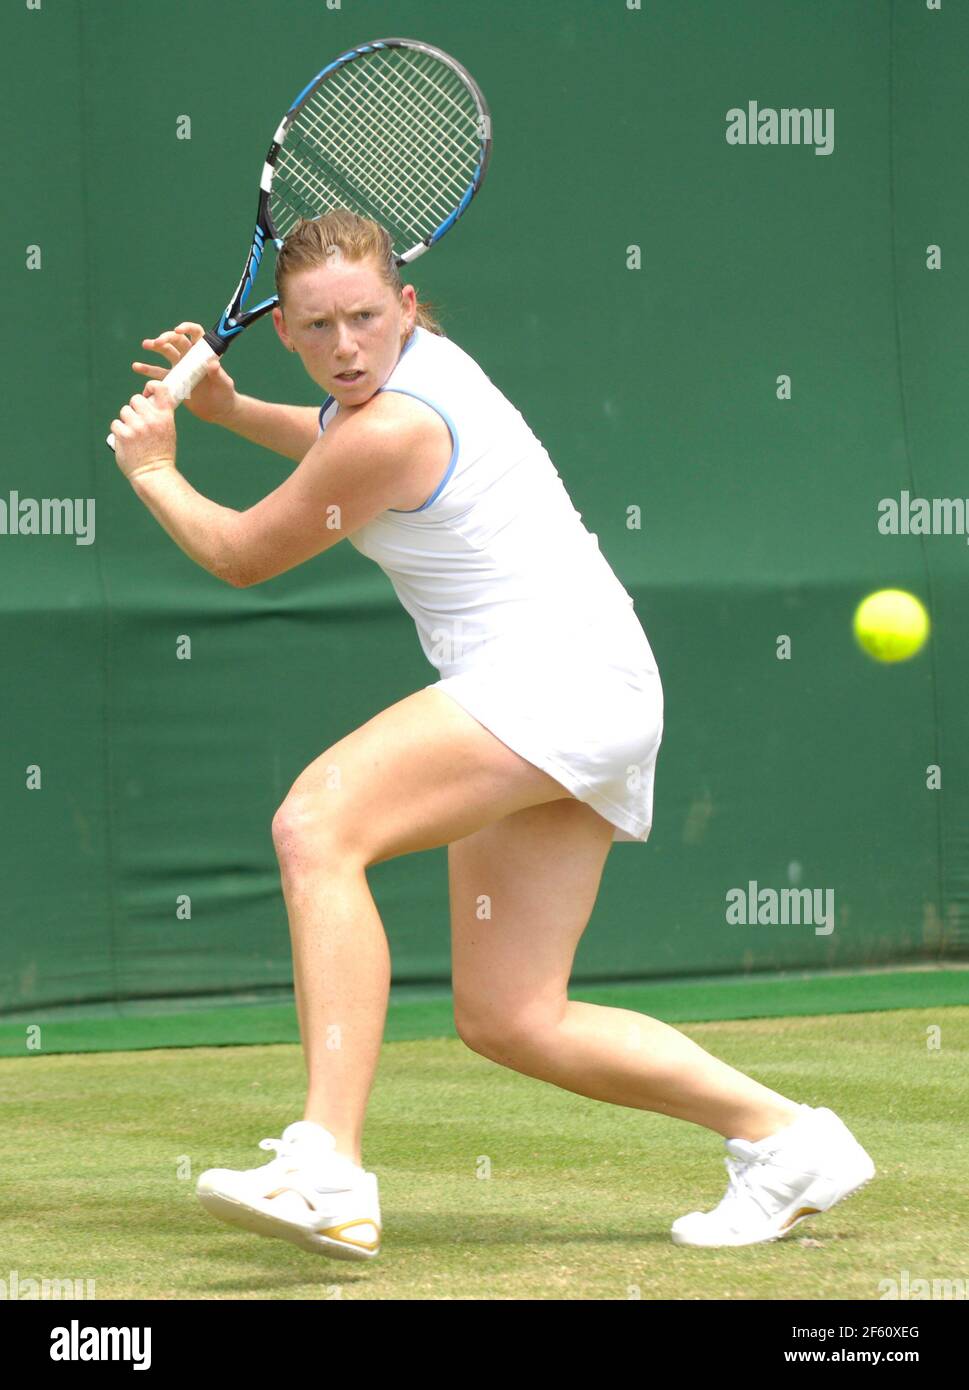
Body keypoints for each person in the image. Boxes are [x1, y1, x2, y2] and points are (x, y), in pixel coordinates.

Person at [110, 208, 875, 1262]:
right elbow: (334, 443)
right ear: (283, 326)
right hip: (592, 683)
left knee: (317, 825)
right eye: (321, 326)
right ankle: (789, 1141)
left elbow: (246, 553)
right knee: (512, 1014)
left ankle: (326, 1161)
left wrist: (156, 470)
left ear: (406, 306)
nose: (345, 347)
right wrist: (234, 410)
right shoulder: (398, 389)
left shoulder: (389, 425)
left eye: (367, 318)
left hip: (552, 677)